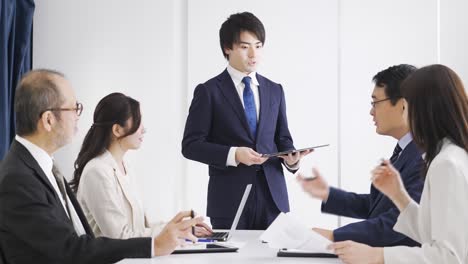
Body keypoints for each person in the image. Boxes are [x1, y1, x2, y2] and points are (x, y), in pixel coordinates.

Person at [0, 69, 203, 264]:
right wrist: (153, 246)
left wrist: (171, 231)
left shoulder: (43, 167)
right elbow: (68, 250)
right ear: (48, 120)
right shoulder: (18, 179)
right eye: (73, 108)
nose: (78, 115)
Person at [328, 64, 468, 263]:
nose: (404, 113)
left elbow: (450, 257)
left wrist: (379, 255)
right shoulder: (449, 155)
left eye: (408, 106)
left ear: (424, 108)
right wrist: (398, 195)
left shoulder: (447, 164)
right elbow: (430, 233)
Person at [182, 11, 309, 230]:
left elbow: (283, 138)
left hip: (273, 199)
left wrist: (292, 160)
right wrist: (234, 154)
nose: (254, 54)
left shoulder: (274, 90)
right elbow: (191, 146)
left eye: (258, 46)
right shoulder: (209, 91)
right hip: (229, 200)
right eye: (244, 47)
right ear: (227, 48)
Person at [297, 64, 424, 247]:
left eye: (376, 102)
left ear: (403, 105)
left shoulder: (423, 157)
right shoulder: (406, 151)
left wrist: (334, 236)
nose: (371, 111)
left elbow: (399, 222)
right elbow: (378, 206)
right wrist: (328, 194)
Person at [72, 93, 212, 239]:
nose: (143, 129)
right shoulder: (97, 171)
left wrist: (180, 227)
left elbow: (141, 228)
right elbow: (119, 236)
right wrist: (175, 232)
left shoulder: (125, 167)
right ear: (117, 130)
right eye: (138, 122)